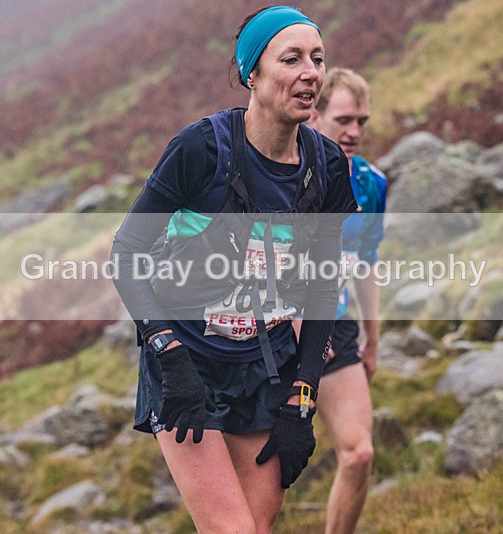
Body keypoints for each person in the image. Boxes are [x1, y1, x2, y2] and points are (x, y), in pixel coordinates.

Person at [111, 6, 356, 533]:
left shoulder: (328, 166)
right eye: (290, 59)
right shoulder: (202, 149)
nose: (310, 72)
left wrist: (304, 394)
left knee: (258, 525)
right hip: (185, 359)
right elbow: (127, 252)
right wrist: (167, 356)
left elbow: (322, 287)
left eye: (317, 59)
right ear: (253, 73)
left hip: (262, 363)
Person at [295, 68, 387, 534]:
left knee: (359, 452)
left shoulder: (371, 184)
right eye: (344, 119)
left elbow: (365, 264)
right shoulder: (283, 174)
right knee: (267, 476)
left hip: (336, 327)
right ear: (314, 115)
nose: (354, 132)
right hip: (271, 335)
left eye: (362, 122)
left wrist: (372, 340)